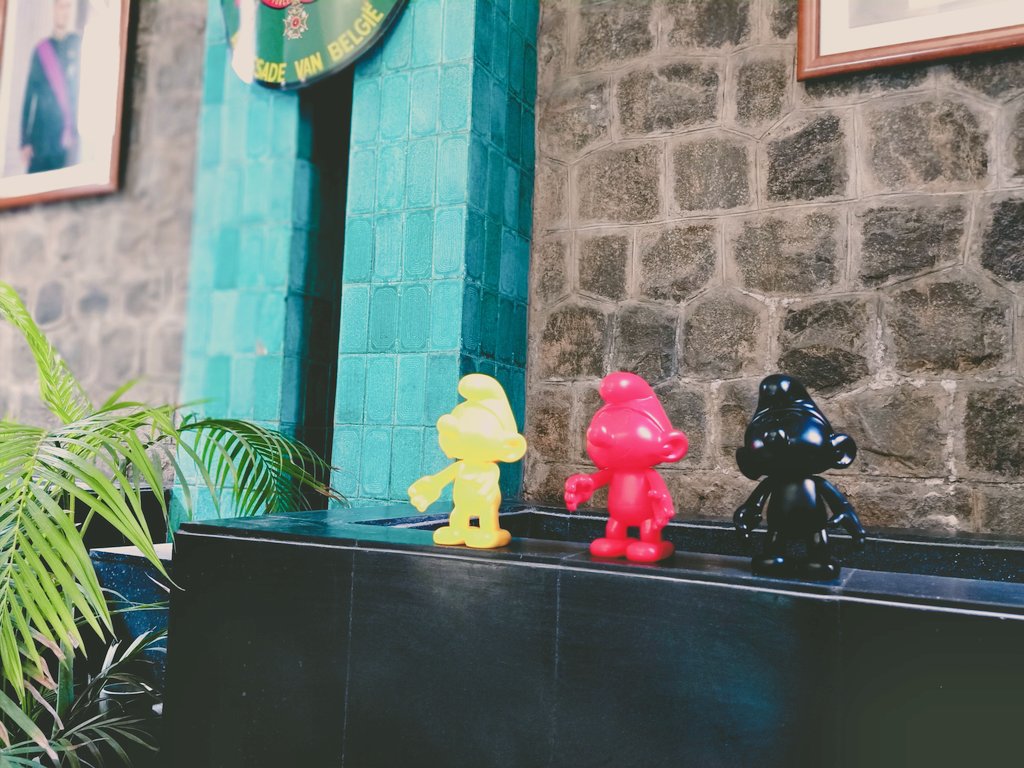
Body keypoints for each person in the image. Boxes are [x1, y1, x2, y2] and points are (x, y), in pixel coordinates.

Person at [20, 0, 82, 174]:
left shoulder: (77, 45)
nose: (64, 11)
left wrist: (73, 131)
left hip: (65, 138)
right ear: (54, 9)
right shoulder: (41, 50)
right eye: (61, 6)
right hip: (39, 138)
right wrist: (25, 140)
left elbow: (80, 93)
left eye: (68, 7)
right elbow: (29, 96)